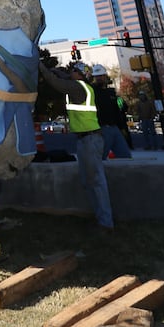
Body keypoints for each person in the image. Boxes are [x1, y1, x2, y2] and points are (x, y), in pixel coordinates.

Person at [38, 59, 114, 234]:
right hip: (86, 139)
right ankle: (100, 219)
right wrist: (55, 69)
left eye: (72, 71)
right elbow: (63, 76)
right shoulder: (83, 86)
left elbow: (56, 82)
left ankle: (105, 223)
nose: (69, 72)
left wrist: (41, 66)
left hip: (90, 140)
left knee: (96, 182)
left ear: (78, 74)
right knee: (89, 181)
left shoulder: (76, 88)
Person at [90, 64, 132, 160]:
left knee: (125, 156)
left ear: (105, 76)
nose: (99, 78)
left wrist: (121, 127)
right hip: (101, 128)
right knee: (100, 157)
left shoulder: (111, 92)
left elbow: (117, 110)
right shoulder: (92, 91)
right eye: (97, 76)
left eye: (101, 76)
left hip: (114, 127)